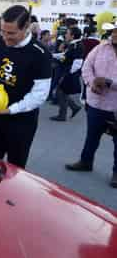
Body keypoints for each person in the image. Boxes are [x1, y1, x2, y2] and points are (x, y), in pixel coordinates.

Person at [0, 5, 52, 168]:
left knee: (16, 169)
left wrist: (11, 109)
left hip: (22, 122)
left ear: (26, 27)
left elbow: (40, 94)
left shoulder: (40, 54)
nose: (5, 38)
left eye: (11, 33)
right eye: (3, 31)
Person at [65, 21, 117, 188]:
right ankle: (86, 162)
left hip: (115, 107)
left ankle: (116, 173)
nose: (114, 34)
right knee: (92, 135)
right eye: (114, 31)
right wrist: (92, 82)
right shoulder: (101, 48)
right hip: (96, 102)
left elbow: (109, 81)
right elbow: (87, 67)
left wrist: (109, 83)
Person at [50, 27, 83, 121]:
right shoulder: (73, 44)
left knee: (60, 92)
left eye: (67, 33)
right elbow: (65, 56)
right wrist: (52, 55)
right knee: (62, 92)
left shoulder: (77, 45)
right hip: (67, 71)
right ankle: (72, 108)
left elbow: (78, 62)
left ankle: (63, 114)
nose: (66, 35)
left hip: (69, 72)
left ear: (72, 35)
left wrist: (69, 73)